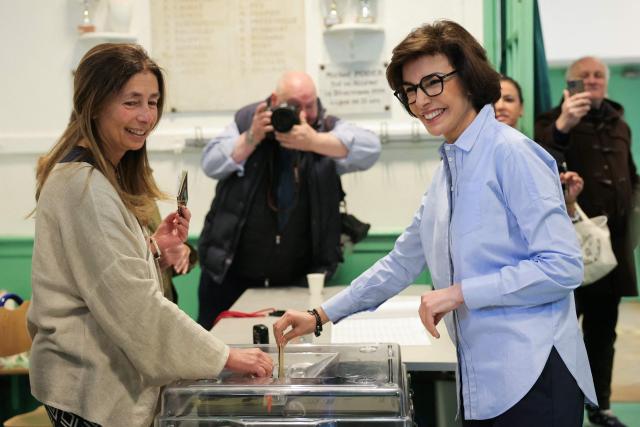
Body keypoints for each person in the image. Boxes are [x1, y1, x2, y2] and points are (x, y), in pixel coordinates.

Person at [274, 20, 596, 426]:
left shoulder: (512, 154)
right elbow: (403, 261)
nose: (421, 101)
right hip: (485, 378)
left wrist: (459, 293)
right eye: (410, 90)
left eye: (433, 82)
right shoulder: (449, 166)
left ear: (468, 78)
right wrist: (321, 315)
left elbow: (563, 265)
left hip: (534, 375)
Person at [27, 43, 273, 427]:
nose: (145, 116)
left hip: (93, 381)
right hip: (89, 388)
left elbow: (100, 275)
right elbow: (133, 305)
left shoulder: (93, 176)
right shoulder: (84, 186)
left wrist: (154, 249)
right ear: (93, 104)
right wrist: (224, 356)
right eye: (131, 102)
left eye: (153, 102)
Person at [197, 71, 381, 330]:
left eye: (310, 105)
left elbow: (371, 149)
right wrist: (252, 137)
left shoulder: (325, 130)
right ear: (274, 100)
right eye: (294, 107)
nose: (303, 115)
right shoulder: (248, 121)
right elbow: (210, 164)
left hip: (300, 279)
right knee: (219, 347)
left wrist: (315, 142)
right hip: (229, 275)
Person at [535, 56, 639, 427]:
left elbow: (632, 173)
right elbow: (542, 162)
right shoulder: (551, 121)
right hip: (567, 250)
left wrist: (634, 214)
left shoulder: (620, 124)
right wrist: (565, 124)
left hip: (610, 250)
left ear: (606, 82)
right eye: (583, 77)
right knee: (559, 333)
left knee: (602, 332)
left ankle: (601, 406)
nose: (592, 81)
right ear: (570, 84)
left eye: (598, 75)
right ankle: (556, 406)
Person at [495, 75, 585, 223]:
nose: (500, 106)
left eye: (509, 99)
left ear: (521, 108)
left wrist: (569, 201)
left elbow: (563, 225)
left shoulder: (545, 158)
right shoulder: (473, 159)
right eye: (492, 101)